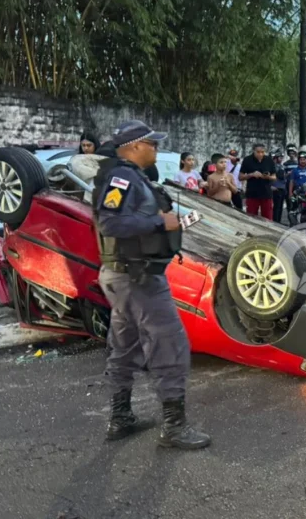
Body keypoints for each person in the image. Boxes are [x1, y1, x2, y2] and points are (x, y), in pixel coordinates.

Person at [92, 120, 210, 450]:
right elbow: (110, 222)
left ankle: (121, 418)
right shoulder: (120, 177)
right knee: (170, 345)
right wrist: (161, 221)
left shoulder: (131, 177)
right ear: (133, 147)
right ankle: (174, 427)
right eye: (151, 144)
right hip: (137, 278)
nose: (156, 149)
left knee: (125, 345)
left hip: (127, 276)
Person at [239, 144, 277, 219]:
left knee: (268, 219)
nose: (260, 154)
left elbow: (274, 177)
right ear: (254, 151)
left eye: (262, 152)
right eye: (258, 152)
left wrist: (267, 177)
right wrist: (252, 174)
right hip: (252, 194)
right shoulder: (247, 160)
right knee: (251, 218)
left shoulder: (269, 160)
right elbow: (240, 177)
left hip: (266, 194)